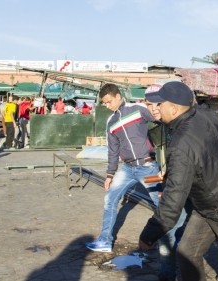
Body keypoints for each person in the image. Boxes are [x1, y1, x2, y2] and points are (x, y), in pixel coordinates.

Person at [138, 81, 218, 281]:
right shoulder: (205, 115)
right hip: (207, 206)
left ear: (174, 107)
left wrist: (149, 235)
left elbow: (173, 200)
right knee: (188, 253)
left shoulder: (181, 143)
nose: (156, 108)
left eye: (159, 104)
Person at [85, 83, 181, 281]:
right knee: (109, 199)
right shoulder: (111, 122)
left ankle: (172, 243)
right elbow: (113, 150)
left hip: (148, 167)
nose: (107, 106)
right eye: (104, 103)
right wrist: (110, 174)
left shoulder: (138, 111)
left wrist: (165, 160)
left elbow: (160, 126)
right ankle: (105, 240)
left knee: (161, 206)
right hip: (127, 168)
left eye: (109, 101)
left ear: (118, 96)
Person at [143, 84, 187, 281]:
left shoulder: (182, 126)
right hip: (174, 186)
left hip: (187, 189)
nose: (154, 108)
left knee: (168, 234)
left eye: (158, 103)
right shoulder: (156, 129)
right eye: (149, 104)